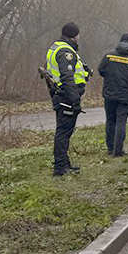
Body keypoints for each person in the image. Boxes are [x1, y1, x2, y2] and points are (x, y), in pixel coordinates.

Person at [44, 22, 89, 177]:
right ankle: (60, 167)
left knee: (63, 131)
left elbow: (50, 71)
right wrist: (75, 100)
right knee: (63, 132)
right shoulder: (66, 51)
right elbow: (67, 76)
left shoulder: (55, 47)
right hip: (67, 96)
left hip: (60, 95)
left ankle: (64, 163)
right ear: (75, 35)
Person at [98, 33, 128, 157]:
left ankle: (110, 148)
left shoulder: (109, 55)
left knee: (110, 120)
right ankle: (118, 151)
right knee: (121, 122)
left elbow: (101, 70)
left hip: (110, 94)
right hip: (126, 94)